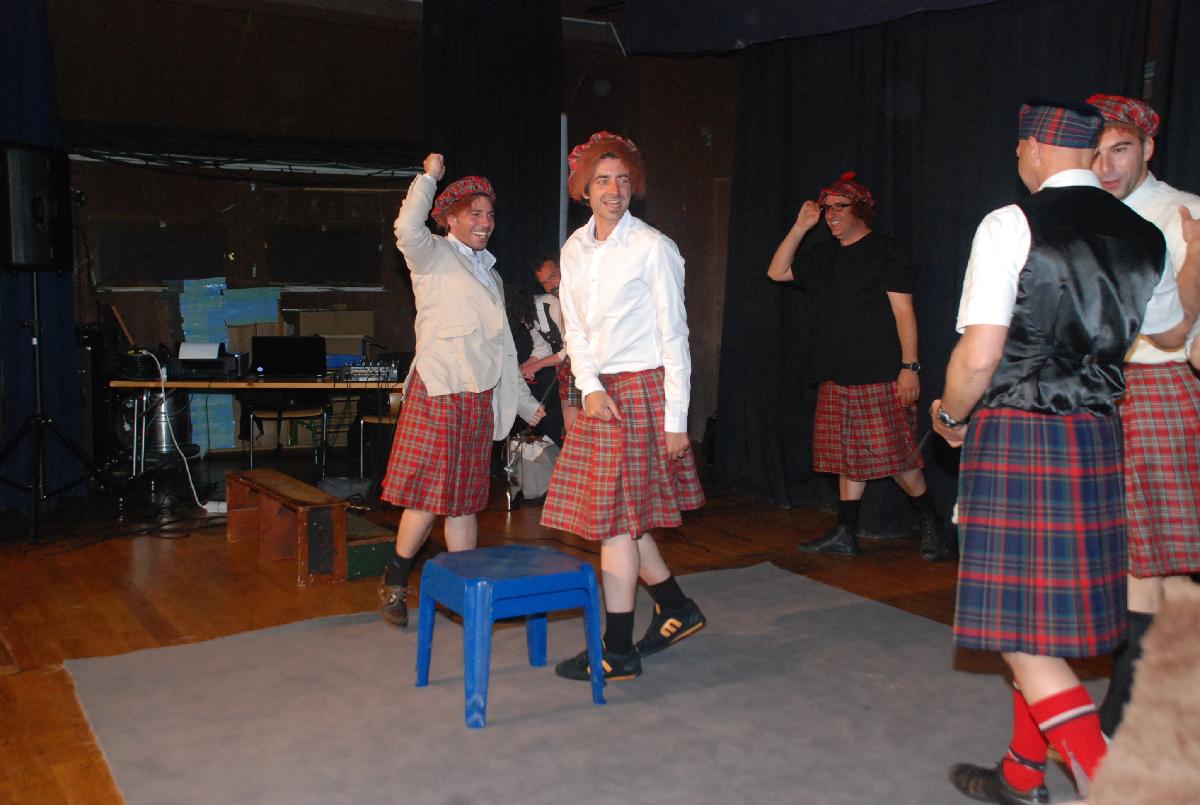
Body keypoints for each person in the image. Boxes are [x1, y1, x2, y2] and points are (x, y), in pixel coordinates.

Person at [931, 98, 1189, 804]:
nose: (1019, 159)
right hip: (1099, 435)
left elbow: (979, 355)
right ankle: (1022, 773)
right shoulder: (1145, 234)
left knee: (1023, 639)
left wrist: (949, 415)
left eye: (1020, 148)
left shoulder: (1011, 223)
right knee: (1042, 626)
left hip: (1019, 435)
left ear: (1038, 147)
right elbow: (1169, 332)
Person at [541, 131, 706, 681]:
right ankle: (678, 608)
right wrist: (588, 387)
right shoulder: (574, 248)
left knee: (616, 526)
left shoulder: (654, 248)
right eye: (603, 181)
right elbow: (576, 329)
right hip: (601, 395)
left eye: (623, 180)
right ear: (584, 189)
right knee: (626, 521)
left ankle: (617, 651)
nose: (614, 190)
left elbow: (675, 337)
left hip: (642, 393)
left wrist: (676, 421)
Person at [377, 153, 544, 628]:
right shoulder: (432, 254)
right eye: (474, 213)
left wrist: (525, 403)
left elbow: (504, 351)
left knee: (467, 501)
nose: (485, 222)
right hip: (440, 390)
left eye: (489, 214)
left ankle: (465, 594)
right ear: (450, 218)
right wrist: (429, 177)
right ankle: (394, 580)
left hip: (478, 400)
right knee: (428, 499)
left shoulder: (491, 274)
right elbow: (406, 226)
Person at [1086, 93, 1200, 737]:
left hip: (1155, 391)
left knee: (1148, 562)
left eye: (1120, 150)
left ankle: (1122, 717)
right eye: (1096, 152)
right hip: (1095, 393)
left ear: (1148, 148)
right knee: (1130, 561)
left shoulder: (1183, 214)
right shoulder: (1086, 213)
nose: (1106, 166)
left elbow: (1177, 338)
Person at [767, 172, 949, 560]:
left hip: (879, 374)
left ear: (861, 210)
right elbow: (777, 271)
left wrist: (910, 367)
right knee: (847, 459)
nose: (831, 215)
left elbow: (904, 312)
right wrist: (800, 227)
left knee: (898, 460)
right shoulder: (823, 255)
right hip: (836, 374)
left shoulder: (887, 252)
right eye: (827, 208)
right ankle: (846, 532)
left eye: (840, 207)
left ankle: (933, 527)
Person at [520, 257, 582, 436]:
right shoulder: (531, 311)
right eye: (544, 283)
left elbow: (570, 348)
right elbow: (541, 348)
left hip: (585, 365)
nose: (550, 285)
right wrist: (524, 367)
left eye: (553, 276)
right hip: (568, 369)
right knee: (571, 427)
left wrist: (537, 365)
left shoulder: (555, 303)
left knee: (585, 423)